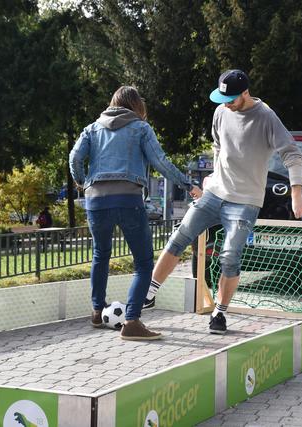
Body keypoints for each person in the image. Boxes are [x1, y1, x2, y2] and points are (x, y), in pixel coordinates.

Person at [143, 69, 302, 334]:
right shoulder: (220, 111)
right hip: (215, 193)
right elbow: (219, 145)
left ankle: (219, 313)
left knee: (229, 256)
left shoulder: (266, 117)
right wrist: (213, 175)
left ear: (245, 93)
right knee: (180, 236)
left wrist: (296, 193)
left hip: (245, 201)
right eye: (223, 98)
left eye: (231, 98)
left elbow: (292, 154)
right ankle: (149, 294)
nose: (227, 103)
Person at [69, 86, 202, 341]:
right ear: (136, 106)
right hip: (128, 199)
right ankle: (131, 321)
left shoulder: (93, 128)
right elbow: (160, 162)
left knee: (100, 254)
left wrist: (83, 182)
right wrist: (188, 185)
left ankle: (97, 312)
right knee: (142, 263)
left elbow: (74, 157)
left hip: (96, 200)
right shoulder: (141, 128)